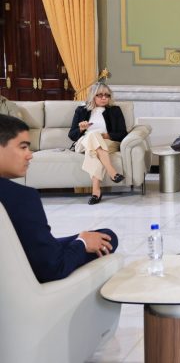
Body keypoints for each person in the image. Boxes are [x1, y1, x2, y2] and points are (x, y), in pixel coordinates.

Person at [0, 114, 118, 283]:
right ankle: (109, 176)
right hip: (32, 278)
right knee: (107, 238)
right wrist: (82, 243)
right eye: (23, 147)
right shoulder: (22, 198)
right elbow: (53, 268)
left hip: (13, 260)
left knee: (101, 235)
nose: (30, 155)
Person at [68, 82, 127, 205]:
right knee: (92, 135)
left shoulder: (115, 110)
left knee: (94, 152)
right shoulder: (81, 110)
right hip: (84, 142)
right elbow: (72, 135)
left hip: (107, 142)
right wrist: (81, 129)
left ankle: (96, 192)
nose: (104, 98)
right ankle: (112, 172)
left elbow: (122, 134)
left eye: (107, 95)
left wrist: (105, 136)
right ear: (93, 96)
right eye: (100, 95)